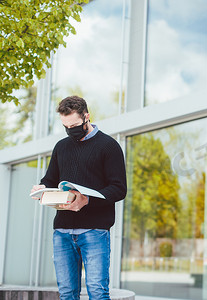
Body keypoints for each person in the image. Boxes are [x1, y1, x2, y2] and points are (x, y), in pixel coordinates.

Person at [30, 96, 127, 300]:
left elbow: (119, 189)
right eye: (66, 126)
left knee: (97, 293)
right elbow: (50, 179)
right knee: (66, 294)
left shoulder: (109, 146)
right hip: (62, 232)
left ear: (87, 117)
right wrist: (42, 189)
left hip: (95, 231)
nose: (70, 130)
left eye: (74, 125)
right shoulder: (61, 147)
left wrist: (87, 200)